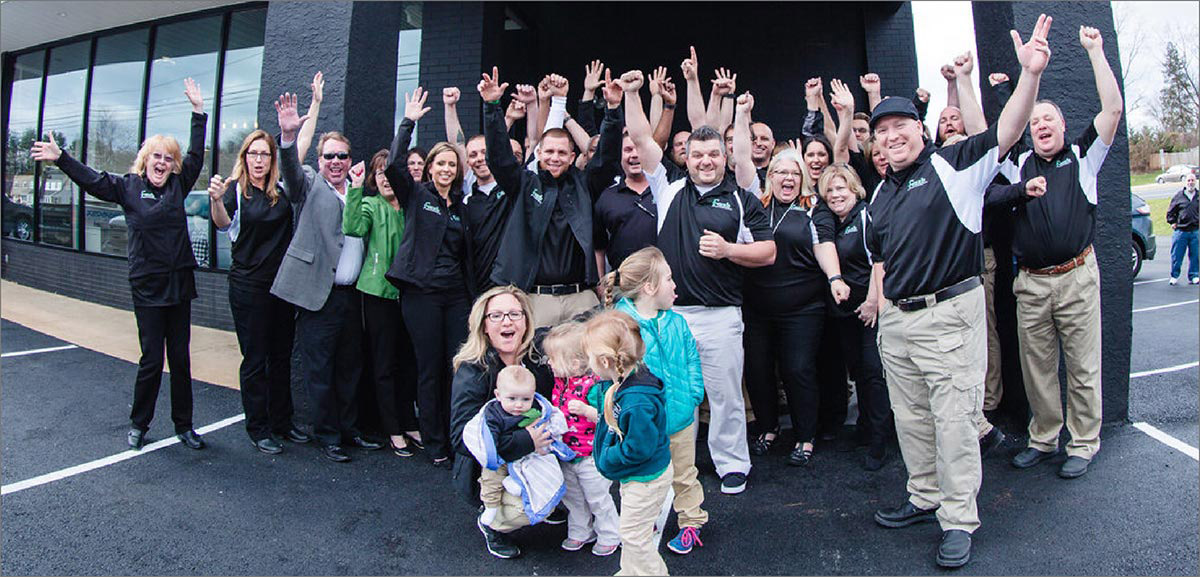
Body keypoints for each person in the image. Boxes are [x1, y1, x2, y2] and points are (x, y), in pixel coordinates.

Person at [866, 14, 1052, 568]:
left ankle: (957, 518)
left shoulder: (954, 164)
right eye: (882, 130)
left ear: (919, 130)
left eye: (901, 126)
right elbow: (880, 260)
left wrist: (1030, 78)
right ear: (875, 141)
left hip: (950, 317)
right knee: (913, 419)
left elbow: (1008, 131)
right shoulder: (879, 195)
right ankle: (924, 497)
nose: (893, 136)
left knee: (953, 421)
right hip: (899, 322)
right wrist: (880, 306)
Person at [31, 78, 209, 451]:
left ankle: (184, 425)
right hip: (147, 286)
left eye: (168, 158)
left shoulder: (178, 184)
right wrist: (61, 158)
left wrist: (198, 112)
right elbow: (92, 180)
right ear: (146, 161)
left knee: (180, 358)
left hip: (179, 284)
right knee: (151, 359)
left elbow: (197, 154)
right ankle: (139, 425)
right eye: (156, 156)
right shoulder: (128, 187)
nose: (162, 162)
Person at [624, 69, 777, 496]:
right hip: (671, 316)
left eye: (713, 154)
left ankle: (732, 463)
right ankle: (675, 466)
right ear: (686, 158)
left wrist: (729, 250)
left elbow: (768, 252)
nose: (706, 161)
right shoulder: (669, 189)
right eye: (697, 155)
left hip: (721, 316)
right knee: (672, 397)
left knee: (725, 396)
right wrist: (634, 94)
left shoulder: (741, 198)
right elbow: (639, 137)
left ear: (724, 157)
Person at [993, 24, 1122, 480]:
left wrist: (1095, 51)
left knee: (1084, 367)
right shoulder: (1017, 164)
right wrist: (1028, 76)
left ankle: (1084, 443)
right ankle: (1044, 437)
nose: (1041, 125)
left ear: (1063, 126)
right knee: (1037, 368)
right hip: (1030, 283)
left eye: (1049, 119)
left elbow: (1113, 108)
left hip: (1077, 277)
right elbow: (986, 133)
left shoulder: (1085, 155)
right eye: (1035, 121)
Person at [735, 101, 849, 468]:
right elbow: (740, 158)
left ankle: (804, 435)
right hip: (758, 308)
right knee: (757, 369)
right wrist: (741, 114)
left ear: (802, 178)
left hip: (803, 309)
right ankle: (768, 429)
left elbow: (825, 244)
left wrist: (834, 277)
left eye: (794, 174)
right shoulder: (755, 205)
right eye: (780, 172)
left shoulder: (815, 209)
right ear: (770, 176)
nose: (787, 179)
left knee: (798, 369)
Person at [271, 91, 382, 463]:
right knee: (320, 370)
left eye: (342, 156)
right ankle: (328, 435)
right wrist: (288, 137)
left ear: (351, 159)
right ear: (319, 161)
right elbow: (288, 169)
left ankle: (350, 430)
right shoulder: (307, 186)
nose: (336, 162)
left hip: (353, 297)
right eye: (329, 156)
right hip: (319, 294)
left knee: (351, 367)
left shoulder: (359, 191)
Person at [480, 66, 624, 328]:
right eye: (549, 152)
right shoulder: (523, 184)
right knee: (537, 366)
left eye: (561, 153)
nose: (554, 158)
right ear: (539, 154)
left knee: (585, 368)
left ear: (572, 157)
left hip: (580, 297)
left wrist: (613, 111)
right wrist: (492, 106)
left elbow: (607, 158)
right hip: (535, 298)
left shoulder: (585, 184)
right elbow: (499, 158)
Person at [208, 128, 312, 454]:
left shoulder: (280, 188)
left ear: (271, 160)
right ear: (244, 158)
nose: (258, 160)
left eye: (264, 154)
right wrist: (214, 200)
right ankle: (258, 428)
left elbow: (298, 148)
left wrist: (298, 125)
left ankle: (283, 421)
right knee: (255, 359)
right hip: (247, 287)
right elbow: (223, 223)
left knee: (280, 357)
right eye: (253, 154)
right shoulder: (236, 192)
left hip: (281, 286)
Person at [383, 87, 470, 469]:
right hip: (421, 295)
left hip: (456, 297)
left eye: (453, 164)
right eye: (441, 164)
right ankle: (434, 441)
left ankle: (456, 437)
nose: (447, 169)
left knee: (458, 368)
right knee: (429, 368)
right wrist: (408, 123)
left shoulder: (462, 206)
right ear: (430, 168)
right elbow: (391, 166)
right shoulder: (417, 195)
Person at [604, 246, 709, 555]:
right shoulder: (622, 325)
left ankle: (691, 522)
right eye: (669, 279)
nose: (675, 285)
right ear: (649, 288)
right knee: (640, 479)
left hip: (678, 417)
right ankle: (643, 521)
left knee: (685, 474)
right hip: (643, 425)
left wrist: (693, 394)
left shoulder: (676, 321)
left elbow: (691, 357)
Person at [450, 285, 556, 559]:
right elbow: (461, 438)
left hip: (537, 450)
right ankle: (494, 523)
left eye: (514, 314)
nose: (506, 321)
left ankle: (547, 502)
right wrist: (525, 441)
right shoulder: (474, 369)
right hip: (489, 468)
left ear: (526, 321)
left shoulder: (537, 358)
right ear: (484, 326)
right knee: (522, 508)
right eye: (496, 316)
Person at [343, 149, 422, 456]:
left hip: (411, 293)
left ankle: (409, 421)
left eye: (391, 172)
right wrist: (355, 188)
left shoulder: (411, 206)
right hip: (378, 293)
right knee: (385, 362)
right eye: (380, 173)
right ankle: (392, 428)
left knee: (409, 362)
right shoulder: (370, 204)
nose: (386, 178)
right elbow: (353, 228)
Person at [585, 310, 673, 576]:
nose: (588, 364)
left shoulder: (637, 401)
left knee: (634, 536)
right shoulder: (625, 383)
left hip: (645, 478)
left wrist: (610, 457)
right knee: (632, 531)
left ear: (604, 360)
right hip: (638, 476)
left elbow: (639, 447)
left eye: (589, 358)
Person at [817, 164, 892, 471]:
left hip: (871, 311)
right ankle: (865, 429)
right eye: (830, 190)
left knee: (875, 375)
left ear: (855, 189)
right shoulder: (835, 222)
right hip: (849, 314)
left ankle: (880, 443)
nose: (836, 195)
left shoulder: (865, 215)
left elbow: (881, 259)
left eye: (841, 188)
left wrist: (875, 301)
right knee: (860, 373)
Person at [464, 365, 574, 528]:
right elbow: (489, 440)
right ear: (498, 395)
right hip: (502, 458)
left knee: (542, 471)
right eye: (512, 399)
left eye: (525, 399)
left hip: (528, 456)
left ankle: (520, 485)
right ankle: (490, 507)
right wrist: (520, 442)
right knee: (491, 476)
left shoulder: (536, 408)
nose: (519, 405)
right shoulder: (494, 413)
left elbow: (550, 418)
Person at [544, 322, 621, 557]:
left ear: (575, 364)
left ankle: (610, 533)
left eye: (553, 358)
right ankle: (581, 531)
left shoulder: (595, 387)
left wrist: (587, 412)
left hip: (590, 456)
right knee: (573, 497)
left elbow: (609, 419)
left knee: (597, 497)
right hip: (566, 454)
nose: (548, 363)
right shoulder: (560, 384)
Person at [594, 134, 658, 272]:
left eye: (638, 149)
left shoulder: (665, 190)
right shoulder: (607, 197)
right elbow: (599, 247)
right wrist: (601, 282)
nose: (634, 155)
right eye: (628, 150)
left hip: (662, 279)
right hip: (622, 283)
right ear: (619, 155)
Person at [1167, 173, 1199, 285]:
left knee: (1195, 255)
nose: (1191, 182)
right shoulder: (1178, 196)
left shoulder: (1198, 196)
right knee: (1177, 255)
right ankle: (1174, 276)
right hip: (1181, 231)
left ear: (1196, 182)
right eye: (1189, 180)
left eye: (1193, 180)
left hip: (1195, 231)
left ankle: (1194, 275)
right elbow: (1170, 212)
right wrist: (1172, 222)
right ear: (1185, 182)